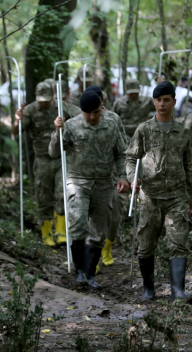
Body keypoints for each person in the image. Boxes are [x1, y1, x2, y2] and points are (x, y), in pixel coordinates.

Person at [126, 81, 192, 303]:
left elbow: (188, 165)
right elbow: (130, 158)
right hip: (150, 197)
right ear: (153, 102)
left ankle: (178, 291)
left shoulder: (183, 131)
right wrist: (132, 179)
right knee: (146, 244)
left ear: (174, 102)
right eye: (158, 100)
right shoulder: (144, 130)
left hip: (176, 197)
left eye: (167, 100)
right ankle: (148, 289)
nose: (162, 104)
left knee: (178, 242)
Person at [49, 90, 129, 289]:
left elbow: (120, 153)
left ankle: (90, 274)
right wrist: (57, 132)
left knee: (98, 231)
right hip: (78, 181)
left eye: (95, 112)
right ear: (81, 111)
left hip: (103, 183)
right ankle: (79, 273)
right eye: (87, 113)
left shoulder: (112, 123)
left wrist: (123, 176)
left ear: (102, 107)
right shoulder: (71, 125)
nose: (92, 117)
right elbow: (53, 152)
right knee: (78, 224)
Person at [13, 81, 81, 246]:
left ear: (52, 96)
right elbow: (16, 132)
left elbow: (81, 117)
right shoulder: (30, 110)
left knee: (62, 193)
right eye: (40, 99)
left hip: (60, 158)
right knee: (44, 197)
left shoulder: (62, 107)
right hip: (42, 159)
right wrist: (17, 120)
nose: (43, 103)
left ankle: (61, 231)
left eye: (46, 99)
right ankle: (46, 234)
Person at [85, 85, 128, 269]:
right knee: (91, 218)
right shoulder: (81, 118)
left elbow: (122, 149)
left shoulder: (113, 119)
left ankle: (107, 248)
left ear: (103, 101)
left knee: (115, 216)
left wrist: (124, 174)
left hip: (111, 176)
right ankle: (92, 256)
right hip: (88, 177)